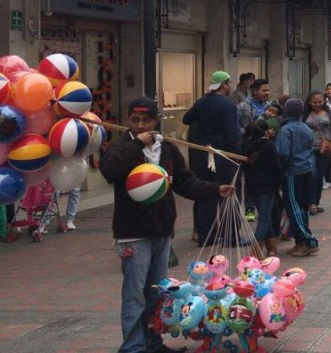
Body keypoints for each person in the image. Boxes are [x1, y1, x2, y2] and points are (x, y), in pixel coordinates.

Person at [100, 97, 234, 353]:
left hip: (161, 231)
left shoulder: (167, 149)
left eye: (146, 120)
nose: (141, 125)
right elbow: (109, 171)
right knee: (134, 295)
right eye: (135, 120)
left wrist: (216, 189)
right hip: (132, 234)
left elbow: (186, 182)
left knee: (156, 293)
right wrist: (135, 145)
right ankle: (133, 348)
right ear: (128, 120)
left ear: (156, 120)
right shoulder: (122, 147)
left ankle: (152, 343)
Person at [182, 70, 241, 246]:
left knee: (205, 192)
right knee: (227, 193)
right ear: (224, 84)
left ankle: (206, 236)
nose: (230, 86)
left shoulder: (201, 102)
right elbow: (232, 135)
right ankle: (230, 236)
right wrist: (237, 154)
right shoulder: (228, 105)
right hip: (222, 156)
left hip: (201, 155)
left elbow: (186, 119)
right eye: (229, 83)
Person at [274, 98, 319, 257]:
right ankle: (300, 241)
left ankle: (308, 240)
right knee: (302, 207)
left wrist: (279, 168)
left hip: (293, 171)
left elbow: (281, 153)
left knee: (293, 207)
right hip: (307, 169)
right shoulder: (306, 128)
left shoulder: (286, 130)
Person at [240, 119, 283, 258]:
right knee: (264, 217)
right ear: (265, 131)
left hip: (251, 186)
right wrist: (279, 182)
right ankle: (256, 250)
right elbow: (276, 166)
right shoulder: (268, 145)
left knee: (265, 215)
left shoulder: (244, 145)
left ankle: (271, 248)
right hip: (267, 186)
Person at [303, 91, 331, 214]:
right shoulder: (305, 114)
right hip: (309, 148)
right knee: (312, 175)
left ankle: (316, 201)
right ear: (309, 102)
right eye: (314, 102)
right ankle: (311, 203)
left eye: (320, 102)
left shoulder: (329, 113)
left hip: (325, 149)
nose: (317, 104)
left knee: (320, 176)